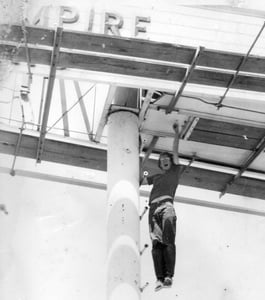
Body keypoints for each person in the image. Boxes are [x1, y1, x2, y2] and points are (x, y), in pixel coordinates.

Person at [140, 122, 183, 291]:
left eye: (167, 159)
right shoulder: (156, 176)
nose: (165, 161)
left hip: (166, 206)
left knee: (168, 241)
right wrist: (141, 161)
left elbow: (175, 152)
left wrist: (176, 134)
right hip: (152, 209)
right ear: (159, 164)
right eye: (162, 160)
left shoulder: (175, 171)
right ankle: (159, 278)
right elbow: (141, 179)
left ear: (171, 163)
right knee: (156, 245)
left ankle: (169, 276)